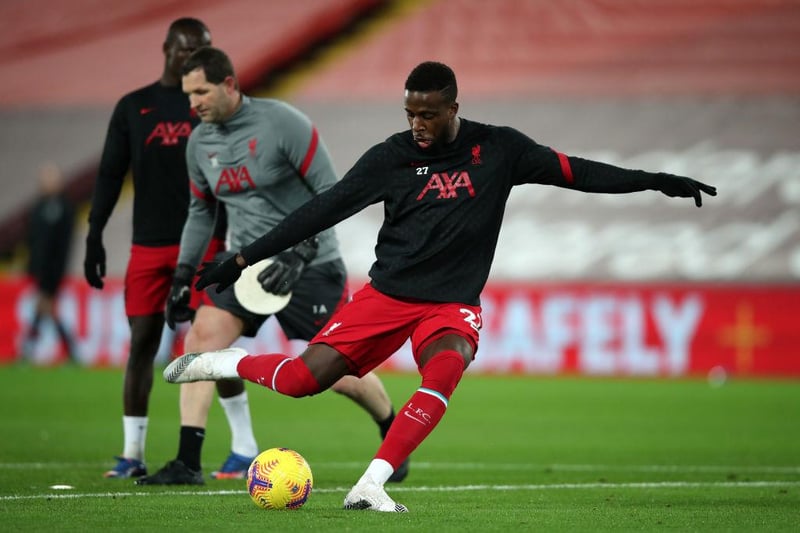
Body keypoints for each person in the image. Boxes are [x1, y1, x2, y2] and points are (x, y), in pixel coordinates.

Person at [163, 60, 718, 511]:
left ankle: (372, 484)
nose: (418, 126)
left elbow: (580, 172)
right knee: (304, 381)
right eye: (410, 114)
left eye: (428, 114)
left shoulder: (500, 150)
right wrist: (239, 259)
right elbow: (319, 212)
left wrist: (656, 181)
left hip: (449, 305)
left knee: (448, 365)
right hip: (385, 297)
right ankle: (230, 362)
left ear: (453, 108)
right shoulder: (389, 158)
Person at [135, 46, 408, 485]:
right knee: (204, 340)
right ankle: (189, 460)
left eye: (201, 91)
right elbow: (201, 211)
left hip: (312, 264)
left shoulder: (284, 124)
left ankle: (390, 429)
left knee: (340, 374)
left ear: (229, 83)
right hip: (243, 264)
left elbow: (333, 195)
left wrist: (299, 252)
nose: (194, 104)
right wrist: (184, 274)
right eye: (188, 95)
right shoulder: (200, 143)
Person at [84, 18, 235, 480]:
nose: (191, 55)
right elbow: (111, 174)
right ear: (166, 47)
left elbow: (230, 172)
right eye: (186, 47)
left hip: (206, 238)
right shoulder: (135, 106)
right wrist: (94, 234)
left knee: (210, 341)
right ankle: (133, 453)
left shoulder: (210, 103)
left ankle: (243, 446)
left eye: (202, 49)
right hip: (148, 243)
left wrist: (228, 242)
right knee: (142, 344)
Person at [24, 162, 76, 361]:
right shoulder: (38, 207)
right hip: (40, 269)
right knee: (47, 308)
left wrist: (57, 269)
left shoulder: (63, 208)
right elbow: (32, 240)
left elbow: (62, 244)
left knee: (45, 306)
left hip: (53, 270)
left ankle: (29, 348)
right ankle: (71, 351)